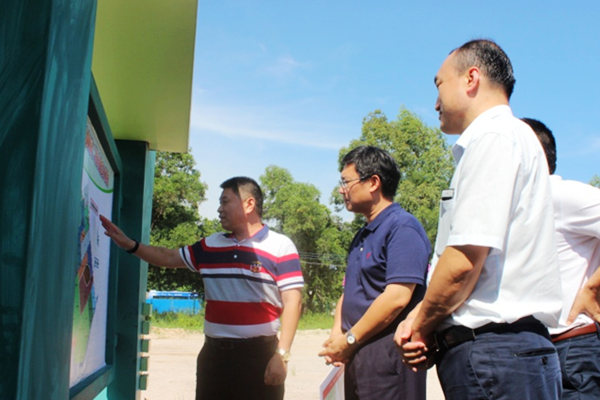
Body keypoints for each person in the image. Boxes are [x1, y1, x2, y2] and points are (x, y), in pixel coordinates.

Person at [394, 39, 563, 399]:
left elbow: (464, 261)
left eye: (439, 84)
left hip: (494, 356)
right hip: (512, 356)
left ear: (471, 78)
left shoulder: (493, 137)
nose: (435, 103)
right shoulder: (515, 138)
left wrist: (420, 325)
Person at [100, 176, 304, 400]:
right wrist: (131, 245)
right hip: (214, 357)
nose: (219, 209)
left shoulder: (280, 245)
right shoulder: (210, 245)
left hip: (260, 356)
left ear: (249, 204)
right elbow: (168, 257)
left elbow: (293, 301)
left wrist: (281, 355)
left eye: (225, 202)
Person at [318, 145, 431, 400]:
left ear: (373, 183)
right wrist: (338, 333)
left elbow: (397, 297)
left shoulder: (402, 228)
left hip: (388, 359)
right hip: (356, 353)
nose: (341, 189)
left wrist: (349, 340)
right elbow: (348, 292)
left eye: (346, 182)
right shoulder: (362, 234)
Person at [523, 117, 600, 399]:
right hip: (533, 350)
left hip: (572, 348)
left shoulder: (560, 195)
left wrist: (591, 288)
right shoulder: (520, 207)